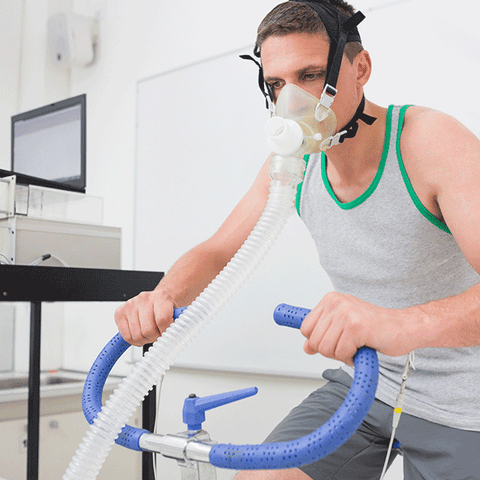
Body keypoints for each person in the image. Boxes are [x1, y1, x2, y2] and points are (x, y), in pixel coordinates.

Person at [115, 0, 480, 478]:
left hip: (465, 403)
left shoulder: (429, 142)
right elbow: (219, 249)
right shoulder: (296, 164)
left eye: (309, 75)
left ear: (360, 69)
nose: (292, 101)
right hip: (369, 384)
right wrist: (163, 296)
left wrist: (398, 325)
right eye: (276, 84)